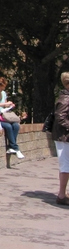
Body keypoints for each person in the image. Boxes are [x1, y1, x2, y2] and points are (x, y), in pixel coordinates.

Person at [0, 76, 24, 159]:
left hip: (3, 115)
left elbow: (4, 106)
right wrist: (4, 104)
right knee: (7, 126)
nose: (2, 90)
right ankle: (15, 148)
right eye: (1, 88)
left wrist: (9, 105)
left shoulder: (3, 93)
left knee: (15, 125)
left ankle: (11, 147)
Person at [52, 72, 69, 206]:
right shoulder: (65, 99)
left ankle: (64, 193)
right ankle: (62, 195)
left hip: (65, 136)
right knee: (65, 165)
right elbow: (60, 117)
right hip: (64, 137)